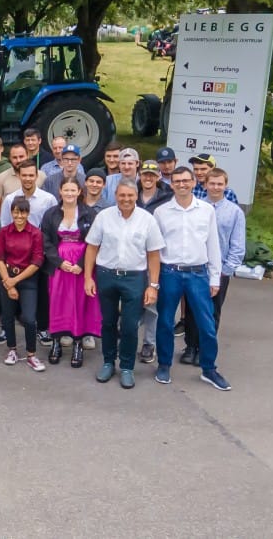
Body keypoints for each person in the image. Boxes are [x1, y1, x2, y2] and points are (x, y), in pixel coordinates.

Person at [153, 166, 230, 391]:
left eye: (186, 180)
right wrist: (154, 281)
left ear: (195, 182)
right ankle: (164, 364)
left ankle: (209, 368)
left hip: (198, 273)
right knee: (165, 321)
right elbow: (155, 249)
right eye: (177, 181)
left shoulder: (206, 211)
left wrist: (215, 278)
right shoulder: (162, 212)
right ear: (172, 184)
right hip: (170, 272)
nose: (182, 184)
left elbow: (213, 245)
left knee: (206, 323)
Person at [83, 182, 164, 389]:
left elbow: (153, 254)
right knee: (108, 323)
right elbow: (92, 247)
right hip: (106, 275)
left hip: (134, 278)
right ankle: (108, 362)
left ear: (136, 196)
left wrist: (153, 285)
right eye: (121, 195)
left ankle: (127, 367)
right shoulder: (104, 216)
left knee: (129, 326)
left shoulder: (147, 220)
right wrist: (87, 278)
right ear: (116, 195)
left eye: (130, 195)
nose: (125, 199)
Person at [40, 178, 100, 367]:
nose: (69, 194)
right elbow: (45, 240)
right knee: (59, 301)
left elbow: (95, 240)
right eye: (66, 190)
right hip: (60, 264)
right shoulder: (51, 214)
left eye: (73, 190)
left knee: (80, 301)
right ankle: (57, 341)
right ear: (60, 191)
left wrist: (82, 264)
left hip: (82, 263)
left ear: (79, 191)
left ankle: (77, 342)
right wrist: (59, 262)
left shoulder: (88, 213)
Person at [193, 167, 246, 365]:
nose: (215, 187)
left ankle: (205, 349)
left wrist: (226, 270)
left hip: (220, 269)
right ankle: (191, 346)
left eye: (219, 184)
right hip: (197, 267)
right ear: (205, 184)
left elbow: (238, 244)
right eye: (212, 183)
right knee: (192, 310)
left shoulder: (235, 212)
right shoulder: (196, 207)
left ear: (225, 186)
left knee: (212, 312)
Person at [0, 198, 46, 371]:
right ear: (11, 212)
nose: (19, 216)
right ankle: (12, 350)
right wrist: (8, 284)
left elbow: (37, 260)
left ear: (28, 213)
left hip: (27, 279)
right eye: (16, 212)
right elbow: (0, 258)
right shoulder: (4, 232)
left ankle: (31, 354)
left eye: (22, 212)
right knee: (8, 316)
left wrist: (15, 282)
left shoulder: (35, 233)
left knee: (30, 319)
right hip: (6, 276)